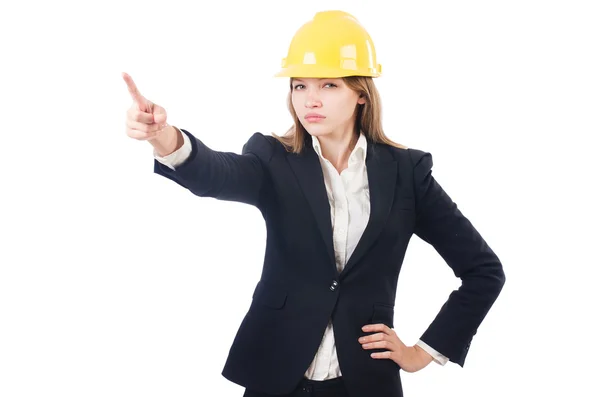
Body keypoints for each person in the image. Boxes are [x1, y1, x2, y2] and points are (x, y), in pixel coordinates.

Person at [122, 10, 505, 397]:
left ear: (360, 94)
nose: (311, 100)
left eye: (328, 85)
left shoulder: (406, 173)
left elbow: (484, 271)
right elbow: (216, 172)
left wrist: (422, 352)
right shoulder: (274, 159)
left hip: (363, 383)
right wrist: (164, 137)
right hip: (277, 377)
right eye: (300, 86)